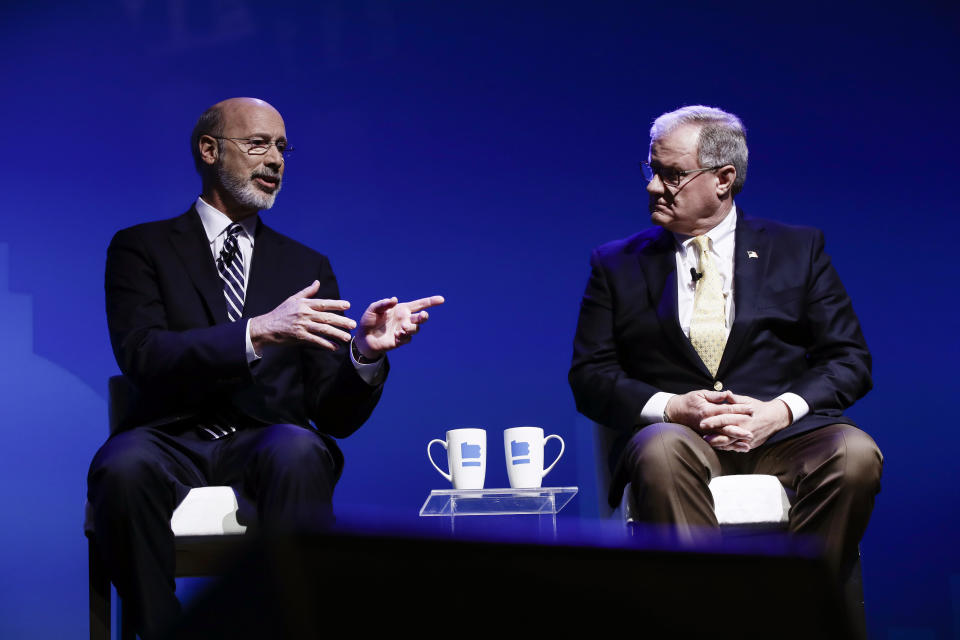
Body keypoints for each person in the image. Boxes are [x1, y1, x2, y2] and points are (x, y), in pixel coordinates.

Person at [87, 97, 444, 639]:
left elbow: (333, 414)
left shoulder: (306, 265)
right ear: (208, 151)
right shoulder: (142, 247)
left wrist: (366, 353)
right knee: (122, 467)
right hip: (169, 438)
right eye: (258, 144)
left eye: (282, 147)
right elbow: (143, 354)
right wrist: (256, 331)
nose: (275, 159)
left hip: (264, 439)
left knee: (299, 450)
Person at [568, 105, 882, 580]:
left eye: (672, 175)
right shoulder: (615, 265)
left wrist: (779, 411)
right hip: (680, 438)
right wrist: (673, 407)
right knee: (660, 452)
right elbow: (590, 376)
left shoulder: (797, 250)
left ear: (723, 178)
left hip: (784, 435)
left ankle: (801, 609)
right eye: (652, 171)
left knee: (854, 455)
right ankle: (709, 616)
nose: (654, 187)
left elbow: (849, 360)